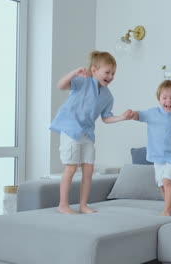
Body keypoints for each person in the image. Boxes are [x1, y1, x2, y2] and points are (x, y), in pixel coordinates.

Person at [50, 51, 132, 214]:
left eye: (113, 73)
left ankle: (83, 205)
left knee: (88, 170)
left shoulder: (108, 96)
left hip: (87, 133)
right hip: (71, 129)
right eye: (107, 72)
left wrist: (122, 117)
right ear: (94, 70)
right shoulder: (82, 81)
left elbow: (106, 118)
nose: (110, 76)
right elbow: (61, 85)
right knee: (71, 168)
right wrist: (74, 72)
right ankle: (63, 205)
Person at [132, 80, 171, 216]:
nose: (168, 101)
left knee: (167, 181)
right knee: (161, 184)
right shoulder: (152, 113)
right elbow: (139, 115)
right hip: (157, 157)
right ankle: (169, 204)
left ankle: (168, 209)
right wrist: (132, 114)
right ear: (159, 99)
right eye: (165, 98)